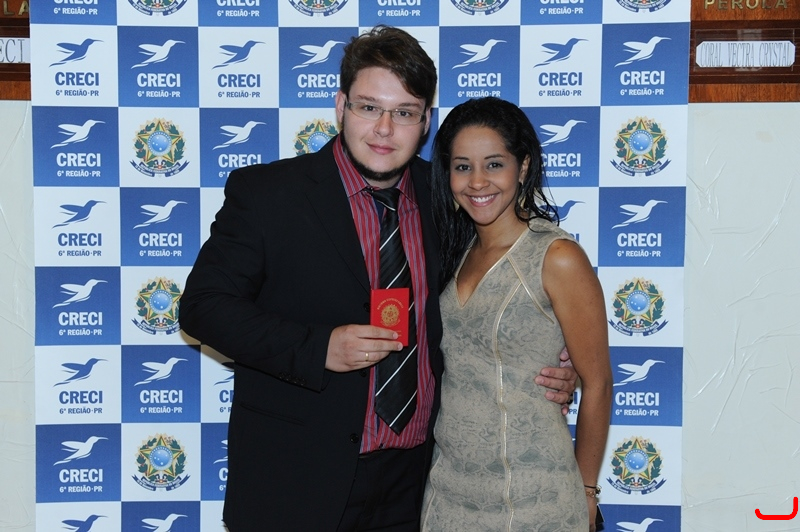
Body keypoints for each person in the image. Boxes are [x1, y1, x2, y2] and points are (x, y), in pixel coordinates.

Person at [180, 27, 578, 531]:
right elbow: (203, 307)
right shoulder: (269, 194)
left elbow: (488, 294)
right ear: (341, 106)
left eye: (405, 112)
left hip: (420, 484)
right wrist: (317, 347)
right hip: (297, 481)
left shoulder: (449, 197)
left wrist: (545, 360)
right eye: (370, 107)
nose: (385, 129)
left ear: (425, 121)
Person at [421, 97, 612, 531]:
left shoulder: (556, 256)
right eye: (463, 166)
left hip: (534, 497)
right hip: (447, 496)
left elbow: (598, 383)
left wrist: (586, 491)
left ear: (523, 167)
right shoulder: (452, 251)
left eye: (494, 164)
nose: (477, 181)